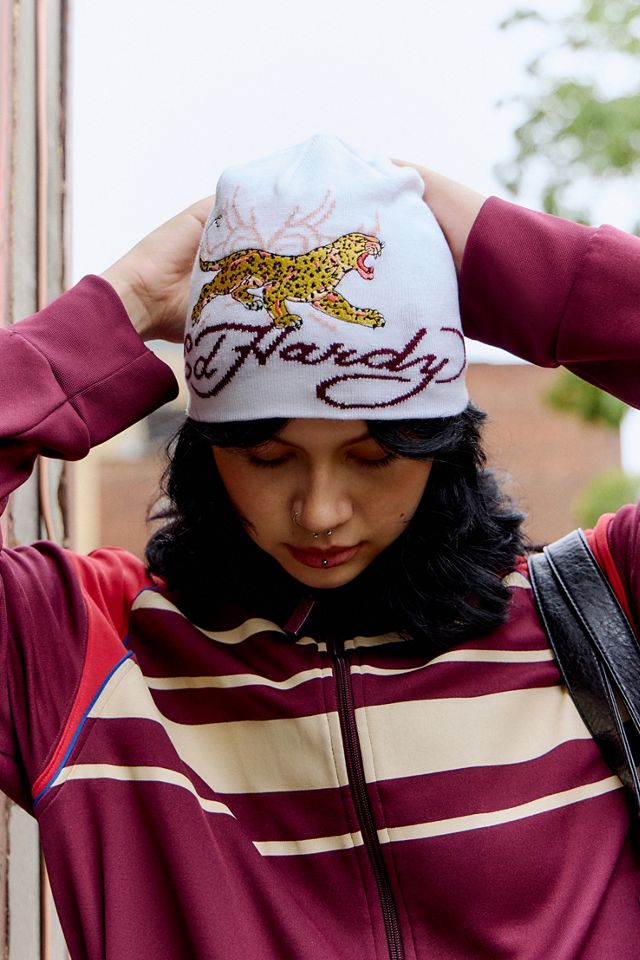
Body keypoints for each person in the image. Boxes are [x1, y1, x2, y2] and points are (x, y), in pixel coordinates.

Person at [1, 134, 639, 960]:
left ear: (441, 448)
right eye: (267, 458)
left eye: (374, 457)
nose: (320, 512)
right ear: (206, 455)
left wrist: (506, 267)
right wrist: (118, 308)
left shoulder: (603, 607)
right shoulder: (88, 653)